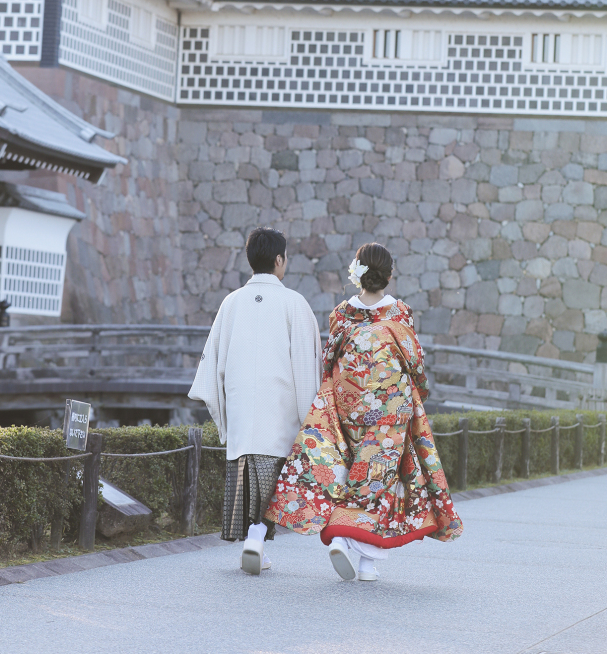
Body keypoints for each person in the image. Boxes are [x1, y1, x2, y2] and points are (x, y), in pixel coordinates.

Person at [266, 241, 463, 582]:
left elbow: (329, 358)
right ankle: (363, 560)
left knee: (346, 469)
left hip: (348, 402)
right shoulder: (400, 313)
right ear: (389, 275)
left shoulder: (343, 312)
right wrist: (417, 389)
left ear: (357, 272)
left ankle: (344, 538)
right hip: (388, 407)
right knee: (377, 479)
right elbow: (415, 361)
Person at [188, 226, 322, 575]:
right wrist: (310, 421)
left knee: (247, 482)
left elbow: (212, 365)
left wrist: (225, 414)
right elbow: (307, 366)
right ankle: (258, 538)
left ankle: (254, 541)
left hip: (242, 414)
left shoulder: (230, 303)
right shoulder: (295, 303)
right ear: (279, 260)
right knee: (271, 488)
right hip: (279, 415)